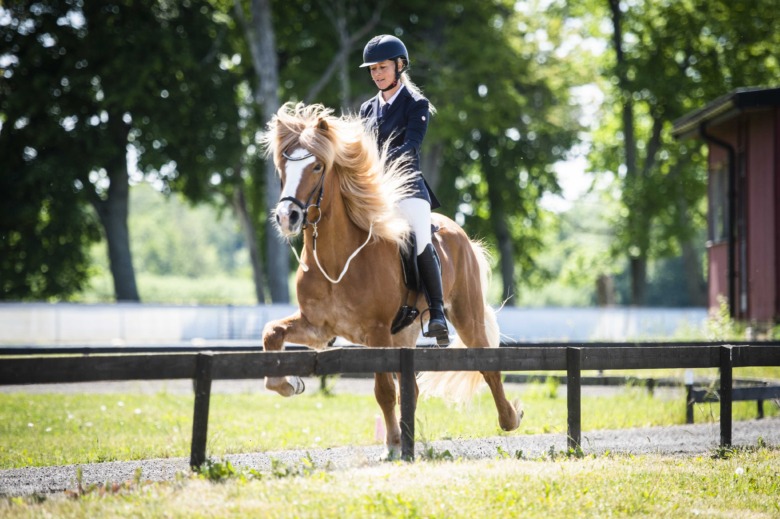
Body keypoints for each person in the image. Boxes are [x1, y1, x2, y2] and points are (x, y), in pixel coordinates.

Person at [358, 34, 448, 345]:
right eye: (372, 69)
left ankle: (437, 313)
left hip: (408, 187)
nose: (376, 74)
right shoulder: (367, 109)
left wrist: (376, 163)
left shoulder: (416, 103)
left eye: (382, 67)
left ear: (399, 66)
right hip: (375, 192)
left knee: (421, 238)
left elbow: (411, 146)